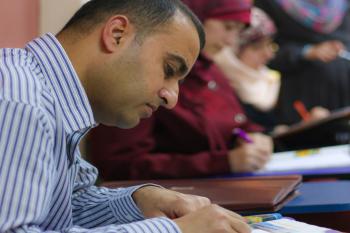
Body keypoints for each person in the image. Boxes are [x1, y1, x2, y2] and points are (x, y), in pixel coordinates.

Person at [0, 0, 251, 233]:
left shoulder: (46, 95)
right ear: (117, 34)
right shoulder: (21, 102)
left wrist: (139, 200)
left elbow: (63, 207)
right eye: (169, 69)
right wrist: (176, 230)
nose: (172, 98)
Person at [89, 0, 273, 181]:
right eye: (228, 27)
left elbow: (234, 120)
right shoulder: (139, 75)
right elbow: (120, 164)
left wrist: (253, 136)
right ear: (197, 18)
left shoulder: (209, 69)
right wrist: (223, 162)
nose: (231, 40)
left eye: (238, 32)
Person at [255, 0, 350, 125]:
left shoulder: (343, 4)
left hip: (342, 94)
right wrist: (307, 52)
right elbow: (261, 52)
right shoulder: (271, 4)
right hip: (301, 97)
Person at [213, 7, 280, 130]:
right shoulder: (217, 84)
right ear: (234, 51)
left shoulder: (269, 80)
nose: (269, 54)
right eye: (257, 47)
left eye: (270, 45)